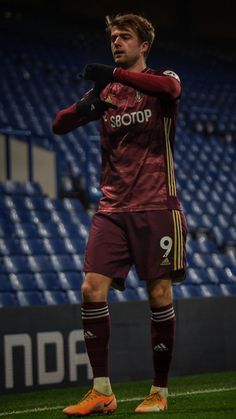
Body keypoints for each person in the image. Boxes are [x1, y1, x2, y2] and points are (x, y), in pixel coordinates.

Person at [52, 13, 187, 416]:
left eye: (124, 37)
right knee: (91, 289)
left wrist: (115, 74)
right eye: (113, 38)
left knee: (159, 294)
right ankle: (102, 391)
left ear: (144, 45)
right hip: (111, 208)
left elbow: (170, 89)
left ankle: (159, 392)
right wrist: (86, 105)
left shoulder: (162, 79)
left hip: (157, 206)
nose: (116, 43)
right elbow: (59, 125)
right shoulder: (109, 90)